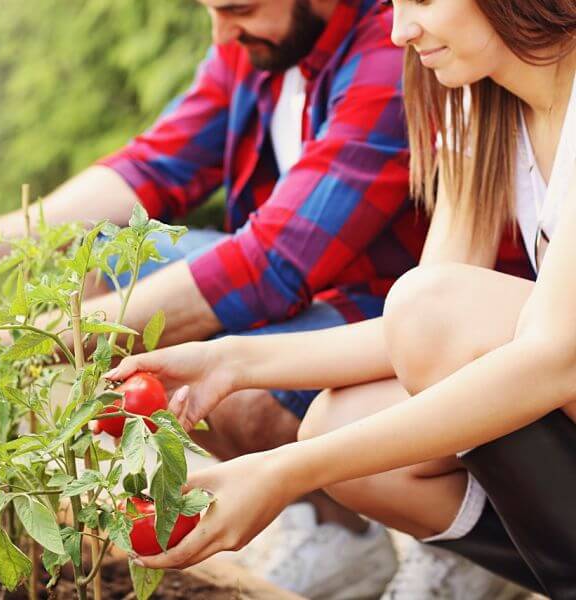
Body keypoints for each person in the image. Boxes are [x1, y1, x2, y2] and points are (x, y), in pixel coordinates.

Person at [106, 0, 576, 598]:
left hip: (557, 365)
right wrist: (232, 361)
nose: (401, 29)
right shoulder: (481, 106)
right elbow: (410, 339)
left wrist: (283, 473)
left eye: (424, 2)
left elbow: (553, 355)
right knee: (337, 421)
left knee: (433, 312)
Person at [0, 1, 441, 596]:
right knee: (87, 265)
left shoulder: (392, 52)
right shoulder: (260, 44)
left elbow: (270, 263)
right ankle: (341, 536)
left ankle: (450, 544)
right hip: (316, 292)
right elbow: (150, 166)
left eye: (237, 9)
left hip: (396, 314)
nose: (220, 33)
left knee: (227, 386)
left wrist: (24, 344)